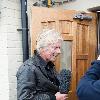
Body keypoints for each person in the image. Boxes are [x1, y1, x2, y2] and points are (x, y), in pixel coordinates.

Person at [16, 29, 67, 100]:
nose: (59, 51)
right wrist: (53, 97)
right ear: (43, 48)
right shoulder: (28, 68)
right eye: (55, 48)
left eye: (59, 48)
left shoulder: (49, 65)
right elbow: (24, 98)